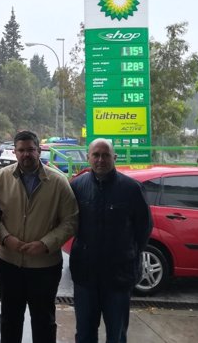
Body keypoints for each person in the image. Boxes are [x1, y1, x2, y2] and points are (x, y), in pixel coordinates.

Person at [0, 130, 78, 343]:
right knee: (10, 318)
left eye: (31, 149)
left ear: (39, 151)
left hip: (45, 265)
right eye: (21, 150)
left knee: (43, 320)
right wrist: (5, 238)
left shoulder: (58, 181)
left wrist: (45, 244)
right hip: (7, 261)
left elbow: (71, 220)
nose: (26, 154)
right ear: (15, 152)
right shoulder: (1, 177)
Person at [69, 138, 153, 343]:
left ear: (114, 157)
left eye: (105, 155)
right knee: (84, 333)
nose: (100, 160)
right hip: (85, 276)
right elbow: (67, 223)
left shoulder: (131, 188)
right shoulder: (77, 187)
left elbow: (144, 227)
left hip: (118, 277)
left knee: (116, 334)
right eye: (95, 155)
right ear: (88, 158)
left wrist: (128, 253)